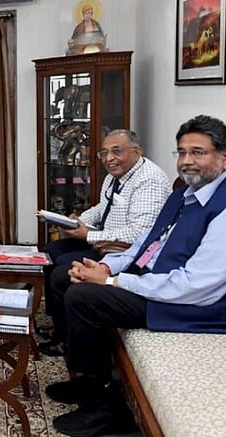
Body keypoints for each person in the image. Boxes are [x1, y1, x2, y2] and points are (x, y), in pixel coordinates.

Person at [46, 115, 226, 437]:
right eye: (182, 153)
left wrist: (112, 282)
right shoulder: (188, 192)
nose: (187, 161)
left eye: (198, 153)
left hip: (207, 309)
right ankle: (89, 381)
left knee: (84, 296)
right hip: (167, 284)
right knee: (64, 277)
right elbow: (147, 242)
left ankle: (110, 407)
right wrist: (108, 267)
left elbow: (196, 286)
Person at [40, 130, 169, 356]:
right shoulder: (115, 176)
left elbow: (140, 235)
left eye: (116, 151)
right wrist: (79, 221)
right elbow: (102, 208)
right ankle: (60, 326)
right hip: (105, 239)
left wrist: (87, 236)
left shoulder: (149, 181)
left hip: (125, 251)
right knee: (52, 250)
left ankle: (68, 340)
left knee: (63, 269)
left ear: (137, 152)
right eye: (104, 153)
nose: (109, 158)